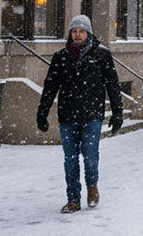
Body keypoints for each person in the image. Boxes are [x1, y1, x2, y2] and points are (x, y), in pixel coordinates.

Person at [36, 15, 123, 214]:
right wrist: (42, 113)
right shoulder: (61, 56)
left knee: (90, 156)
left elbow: (113, 86)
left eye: (81, 31)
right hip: (67, 115)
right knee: (70, 159)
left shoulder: (102, 55)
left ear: (88, 33)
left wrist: (117, 113)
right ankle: (73, 198)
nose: (77, 35)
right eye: (74, 31)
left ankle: (92, 187)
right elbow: (50, 87)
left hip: (92, 114)